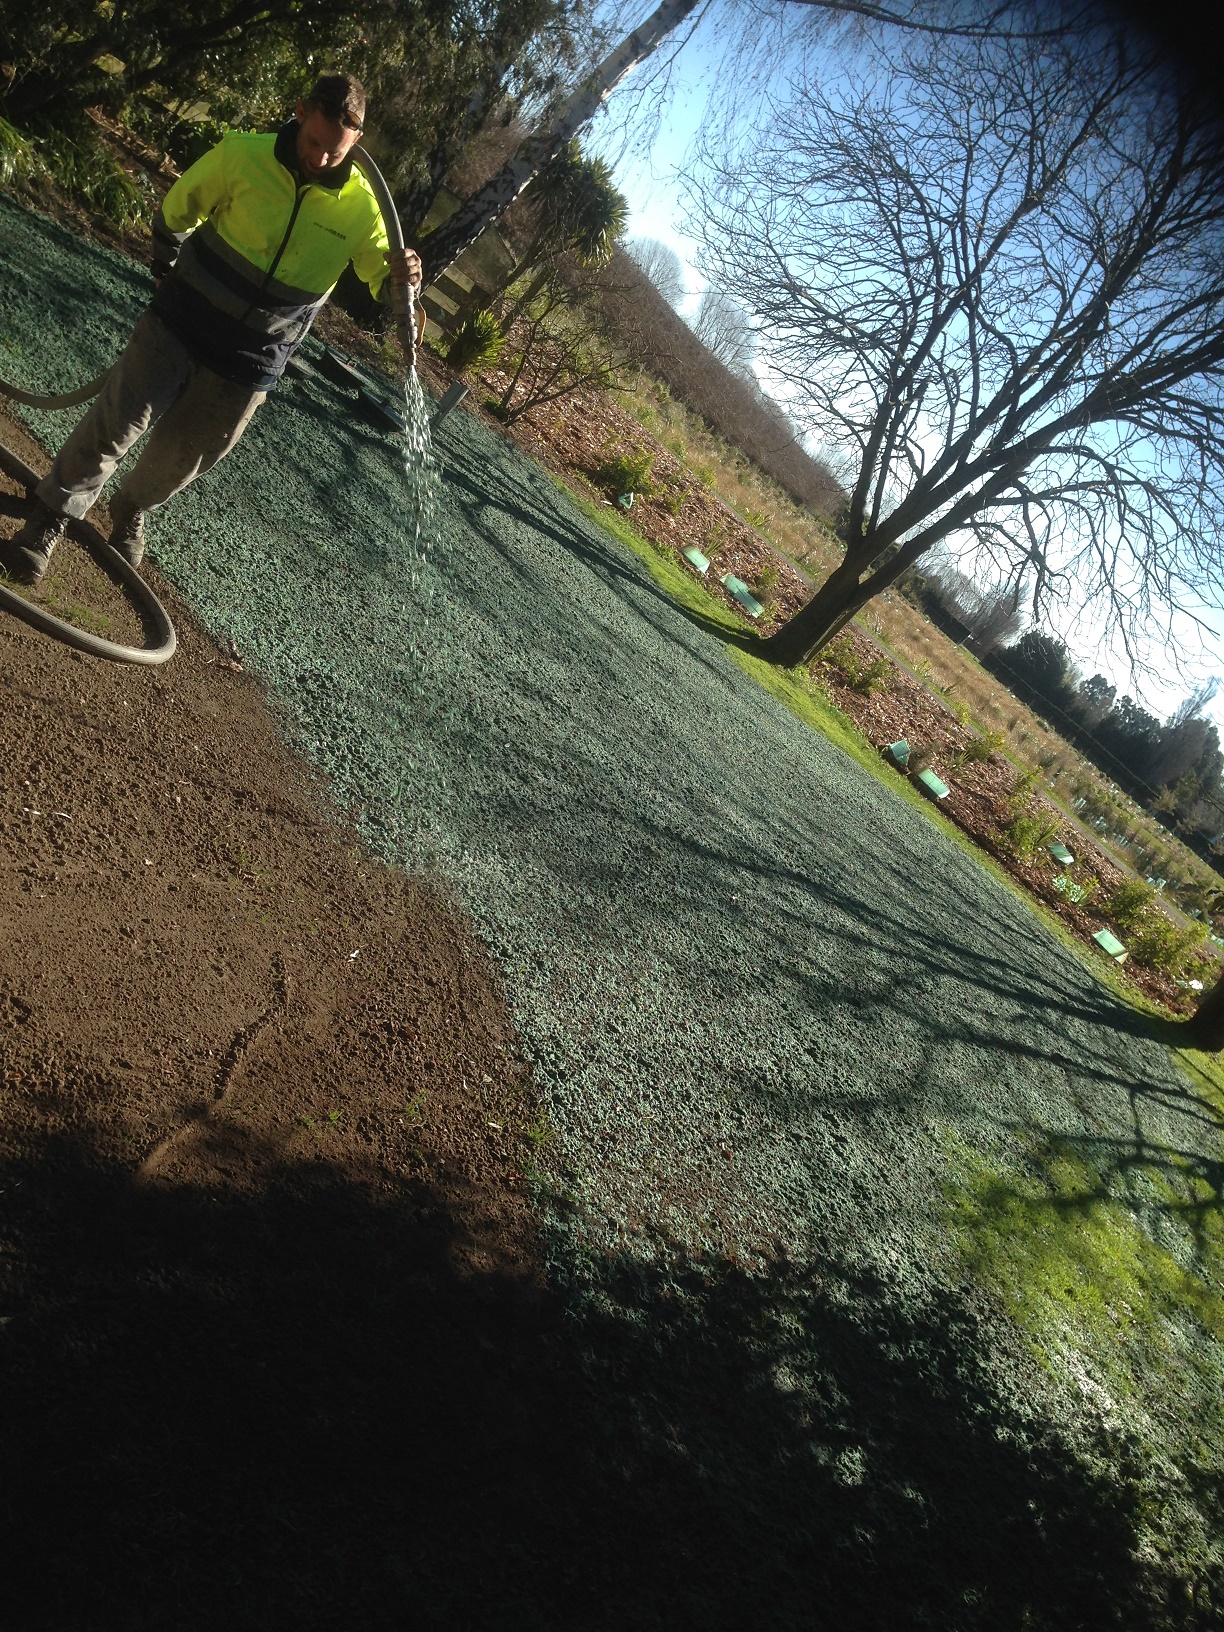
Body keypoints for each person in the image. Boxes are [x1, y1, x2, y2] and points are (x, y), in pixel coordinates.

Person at [9, 71, 422, 586]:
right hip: (180, 322)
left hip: (252, 360)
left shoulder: (364, 208)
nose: (318, 158)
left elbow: (382, 280)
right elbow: (176, 212)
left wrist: (404, 280)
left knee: (185, 458)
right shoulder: (242, 155)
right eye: (314, 142)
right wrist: (164, 272)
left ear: (357, 141)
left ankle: (132, 505)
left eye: (333, 151)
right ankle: (50, 521)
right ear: (299, 113)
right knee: (115, 425)